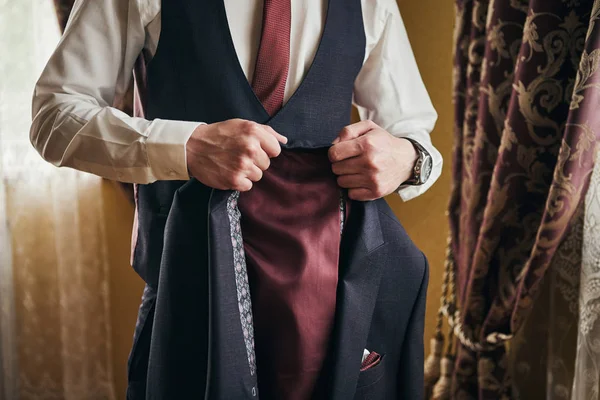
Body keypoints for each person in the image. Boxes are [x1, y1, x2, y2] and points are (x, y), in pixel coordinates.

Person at [30, 0, 443, 399]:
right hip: (194, 301)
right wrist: (185, 147)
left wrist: (409, 159)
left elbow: (413, 132)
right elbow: (53, 114)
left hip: (341, 307)